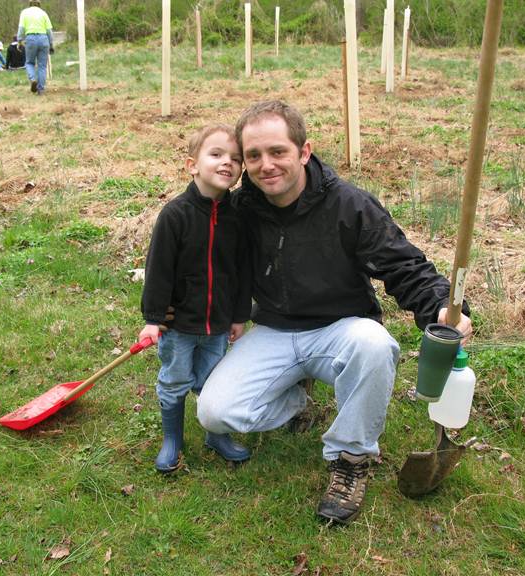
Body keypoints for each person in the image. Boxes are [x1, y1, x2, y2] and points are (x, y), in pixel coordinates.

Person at [197, 100, 472, 525]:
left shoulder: (350, 206)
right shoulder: (241, 211)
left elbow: (403, 265)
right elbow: (205, 257)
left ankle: (350, 459)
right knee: (215, 413)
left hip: (341, 330)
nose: (266, 165)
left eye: (277, 152)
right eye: (253, 156)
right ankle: (296, 398)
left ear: (304, 152)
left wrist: (439, 303)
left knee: (376, 345)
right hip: (275, 329)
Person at [139, 124, 252, 474]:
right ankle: (172, 439)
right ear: (192, 164)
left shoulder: (238, 218)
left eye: (235, 159)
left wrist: (238, 315)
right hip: (179, 326)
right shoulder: (176, 215)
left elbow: (241, 270)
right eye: (216, 154)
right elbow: (158, 269)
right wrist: (154, 318)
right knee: (175, 379)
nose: (226, 163)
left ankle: (215, 434)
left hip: (217, 324)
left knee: (212, 381)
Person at [16, 0, 54, 95]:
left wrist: (19, 41)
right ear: (39, 3)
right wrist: (51, 44)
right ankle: (41, 89)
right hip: (43, 38)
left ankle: (33, 79)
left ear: (30, 3)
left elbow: (21, 29)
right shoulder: (43, 13)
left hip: (31, 38)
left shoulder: (24, 12)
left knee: (29, 62)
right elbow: (49, 31)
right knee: (42, 65)